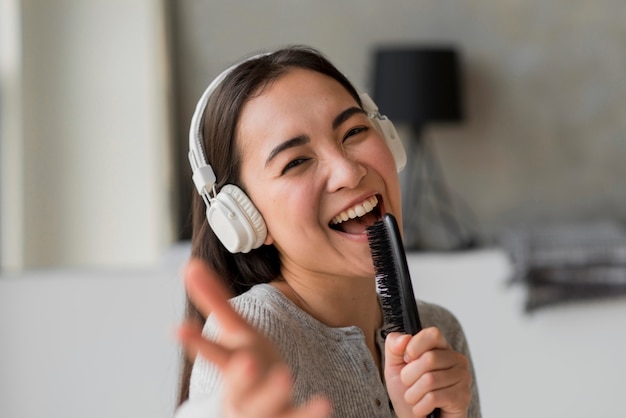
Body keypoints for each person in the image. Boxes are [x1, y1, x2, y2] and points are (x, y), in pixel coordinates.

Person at [175, 45, 481, 418]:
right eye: (297, 161)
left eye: (353, 131)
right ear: (243, 217)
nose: (349, 172)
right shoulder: (253, 335)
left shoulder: (439, 330)